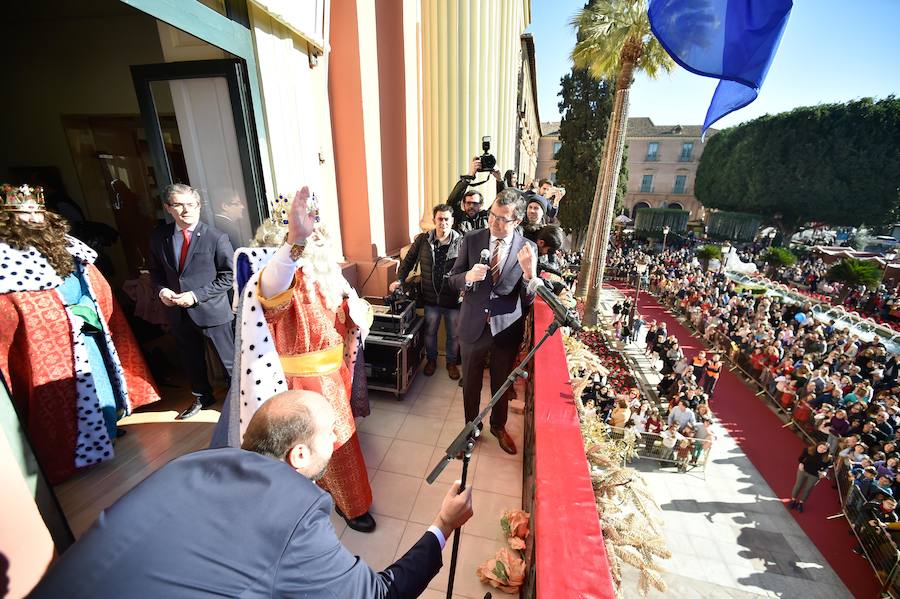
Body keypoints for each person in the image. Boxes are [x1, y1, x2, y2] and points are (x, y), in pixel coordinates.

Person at [29, 390, 474, 598]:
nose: (338, 439)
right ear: (298, 455)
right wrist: (443, 525)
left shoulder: (191, 463)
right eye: (329, 434)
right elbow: (379, 596)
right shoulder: (295, 510)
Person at [213, 187, 376, 532]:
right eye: (305, 222)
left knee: (335, 440)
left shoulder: (326, 269)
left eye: (316, 222)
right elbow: (273, 294)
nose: (315, 229)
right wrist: (295, 244)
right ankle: (345, 507)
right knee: (315, 444)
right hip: (300, 382)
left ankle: (344, 500)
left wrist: (357, 312)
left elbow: (343, 313)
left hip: (335, 373)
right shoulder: (277, 268)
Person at [0, 184, 160, 484]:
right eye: (23, 213)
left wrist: (88, 306)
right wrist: (60, 316)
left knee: (100, 383)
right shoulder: (5, 257)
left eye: (35, 211)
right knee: (67, 394)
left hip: (84, 329)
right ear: (10, 218)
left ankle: (107, 430)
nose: (31, 218)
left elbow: (89, 280)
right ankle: (78, 449)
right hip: (49, 341)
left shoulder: (64, 243)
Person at [449, 188, 538, 455]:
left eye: (502, 219)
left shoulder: (528, 248)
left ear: (518, 221)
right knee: (471, 383)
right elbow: (452, 279)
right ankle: (470, 429)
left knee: (502, 383)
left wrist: (529, 275)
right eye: (492, 215)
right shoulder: (472, 239)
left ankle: (498, 426)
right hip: (472, 324)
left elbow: (528, 299)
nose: (494, 223)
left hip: (506, 329)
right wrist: (467, 277)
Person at [149, 183, 236, 419]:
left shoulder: (216, 238)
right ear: (168, 208)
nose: (186, 210)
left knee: (229, 361)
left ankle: (238, 402)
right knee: (191, 359)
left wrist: (196, 296)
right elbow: (156, 272)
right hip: (178, 311)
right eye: (179, 205)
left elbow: (228, 277)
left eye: (191, 204)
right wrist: (162, 291)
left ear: (199, 206)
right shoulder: (160, 237)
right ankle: (202, 396)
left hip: (212, 311)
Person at [391, 204, 463, 379]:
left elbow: (467, 267)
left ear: (452, 221)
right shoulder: (423, 240)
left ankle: (451, 362)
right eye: (440, 219)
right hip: (430, 298)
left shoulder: (462, 241)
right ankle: (431, 360)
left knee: (453, 335)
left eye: (447, 219)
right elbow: (408, 262)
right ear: (434, 220)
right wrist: (399, 280)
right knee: (430, 332)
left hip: (453, 299)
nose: (443, 223)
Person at [447, 157, 505, 234]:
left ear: (481, 205)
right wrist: (469, 177)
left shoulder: (487, 217)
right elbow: (452, 201)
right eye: (468, 203)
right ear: (463, 204)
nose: (471, 206)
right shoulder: (459, 217)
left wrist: (499, 180)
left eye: (475, 203)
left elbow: (502, 202)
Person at [789, 442, 833, 512]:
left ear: (826, 451)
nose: (822, 450)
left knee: (808, 489)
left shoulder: (827, 458)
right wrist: (801, 463)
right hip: (803, 470)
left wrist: (824, 473)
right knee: (798, 485)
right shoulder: (808, 450)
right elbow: (801, 458)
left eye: (824, 449)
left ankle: (800, 503)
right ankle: (793, 500)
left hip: (814, 475)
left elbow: (827, 467)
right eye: (821, 447)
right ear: (817, 446)